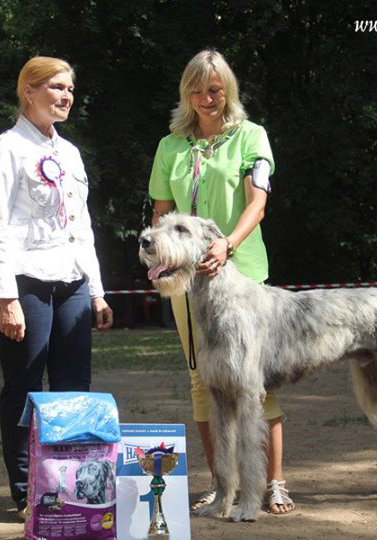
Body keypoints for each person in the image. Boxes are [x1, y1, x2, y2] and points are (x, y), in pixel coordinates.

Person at [148, 49, 293, 515]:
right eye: (197, 89)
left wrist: (227, 243)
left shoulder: (251, 137)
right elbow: (161, 214)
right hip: (185, 281)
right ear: (185, 93)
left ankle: (273, 483)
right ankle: (221, 485)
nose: (206, 98)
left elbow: (258, 203)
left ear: (227, 91)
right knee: (202, 381)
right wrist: (166, 257)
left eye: (215, 89)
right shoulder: (170, 145)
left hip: (242, 271)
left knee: (254, 384)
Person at [0, 56, 113, 520]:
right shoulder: (3, 150)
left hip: (72, 281)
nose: (66, 96)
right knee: (24, 387)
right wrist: (5, 297)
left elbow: (83, 227)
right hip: (26, 284)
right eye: (55, 87)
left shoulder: (70, 154)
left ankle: (72, 485)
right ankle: (25, 491)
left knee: (75, 388)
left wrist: (95, 289)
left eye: (70, 88)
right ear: (28, 91)